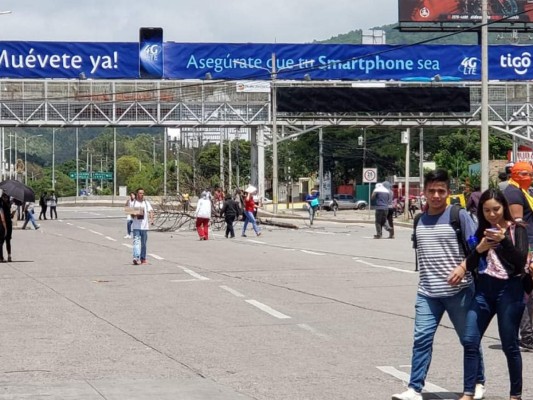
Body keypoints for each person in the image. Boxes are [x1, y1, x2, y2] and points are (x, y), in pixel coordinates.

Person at [392, 169, 485, 400]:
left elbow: (477, 250)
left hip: (460, 290)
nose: (436, 195)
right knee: (421, 339)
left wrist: (463, 267)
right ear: (424, 192)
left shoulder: (458, 216)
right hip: (427, 293)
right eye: (431, 191)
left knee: (469, 339)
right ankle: (414, 388)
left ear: (448, 192)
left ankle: (478, 383)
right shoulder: (419, 220)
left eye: (440, 191)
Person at [459, 189, 529, 400]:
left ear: (504, 207)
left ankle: (515, 395)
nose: (492, 214)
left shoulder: (517, 229)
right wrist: (479, 249)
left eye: (496, 209)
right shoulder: (481, 230)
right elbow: (471, 265)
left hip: (510, 290)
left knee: (509, 344)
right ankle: (468, 392)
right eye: (487, 210)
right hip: (484, 290)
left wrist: (503, 241)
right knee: (470, 339)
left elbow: (520, 261)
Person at [503, 161, 533, 351]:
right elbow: (518, 225)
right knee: (527, 292)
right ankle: (528, 336)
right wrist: (527, 252)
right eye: (523, 173)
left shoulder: (523, 192)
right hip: (526, 248)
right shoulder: (513, 193)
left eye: (529, 173)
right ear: (514, 174)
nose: (528, 177)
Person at [130, 188, 154, 265]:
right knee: (136, 242)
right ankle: (136, 258)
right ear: (137, 194)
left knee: (143, 243)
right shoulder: (133, 203)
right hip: (136, 226)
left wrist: (151, 219)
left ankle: (143, 258)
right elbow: (130, 213)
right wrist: (136, 213)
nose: (142, 194)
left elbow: (151, 211)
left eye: (143, 193)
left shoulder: (146, 203)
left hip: (144, 226)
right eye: (140, 193)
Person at [1, 193, 14, 262]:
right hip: (2, 224)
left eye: (7, 197)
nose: (6, 198)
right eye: (4, 197)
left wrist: (12, 214)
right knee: (1, 240)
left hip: (8, 223)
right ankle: (1, 256)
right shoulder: (1, 204)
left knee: (8, 240)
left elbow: (10, 216)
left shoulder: (9, 204)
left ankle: (9, 255)